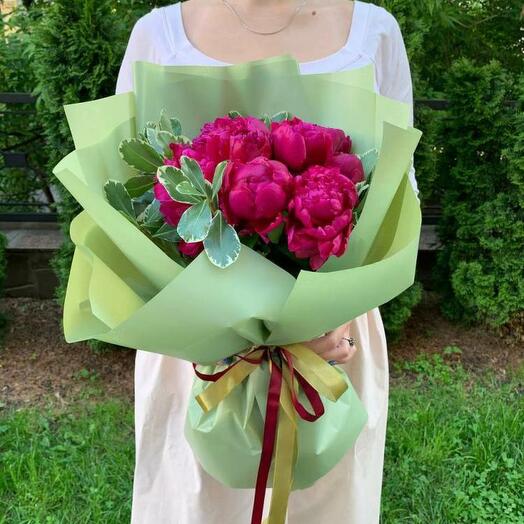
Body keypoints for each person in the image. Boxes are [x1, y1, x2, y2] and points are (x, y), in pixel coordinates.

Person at [115, 1, 418, 522]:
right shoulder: (159, 35)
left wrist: (333, 315)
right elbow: (129, 202)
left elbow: (398, 196)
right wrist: (206, 330)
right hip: (193, 356)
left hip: (331, 347)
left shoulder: (374, 33)